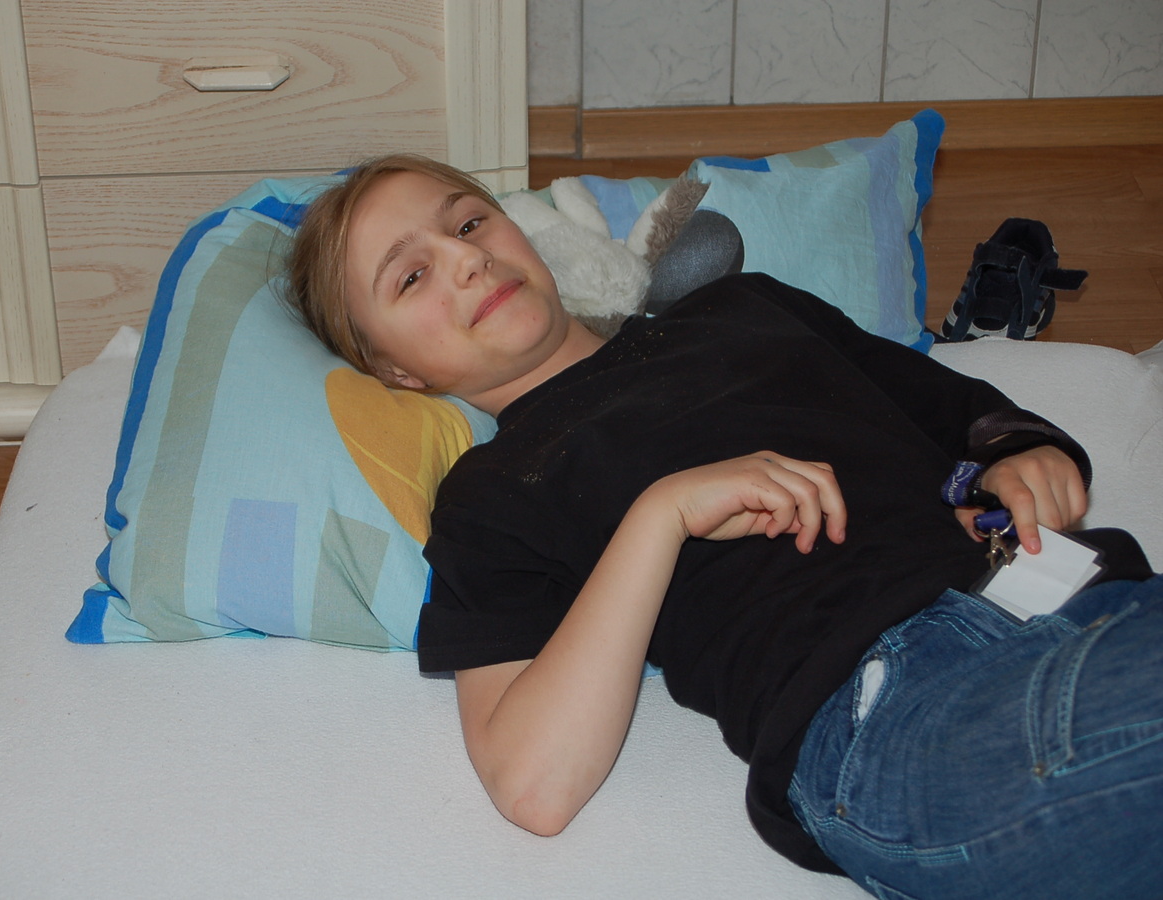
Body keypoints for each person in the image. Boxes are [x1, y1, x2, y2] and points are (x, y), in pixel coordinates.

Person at [286, 154, 1162, 899]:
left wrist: (1020, 452)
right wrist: (661, 515)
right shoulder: (490, 494)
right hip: (894, 700)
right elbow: (533, 785)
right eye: (410, 276)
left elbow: (960, 413)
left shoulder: (746, 307)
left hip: (1078, 599)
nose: (465, 259)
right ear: (392, 370)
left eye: (469, 223)